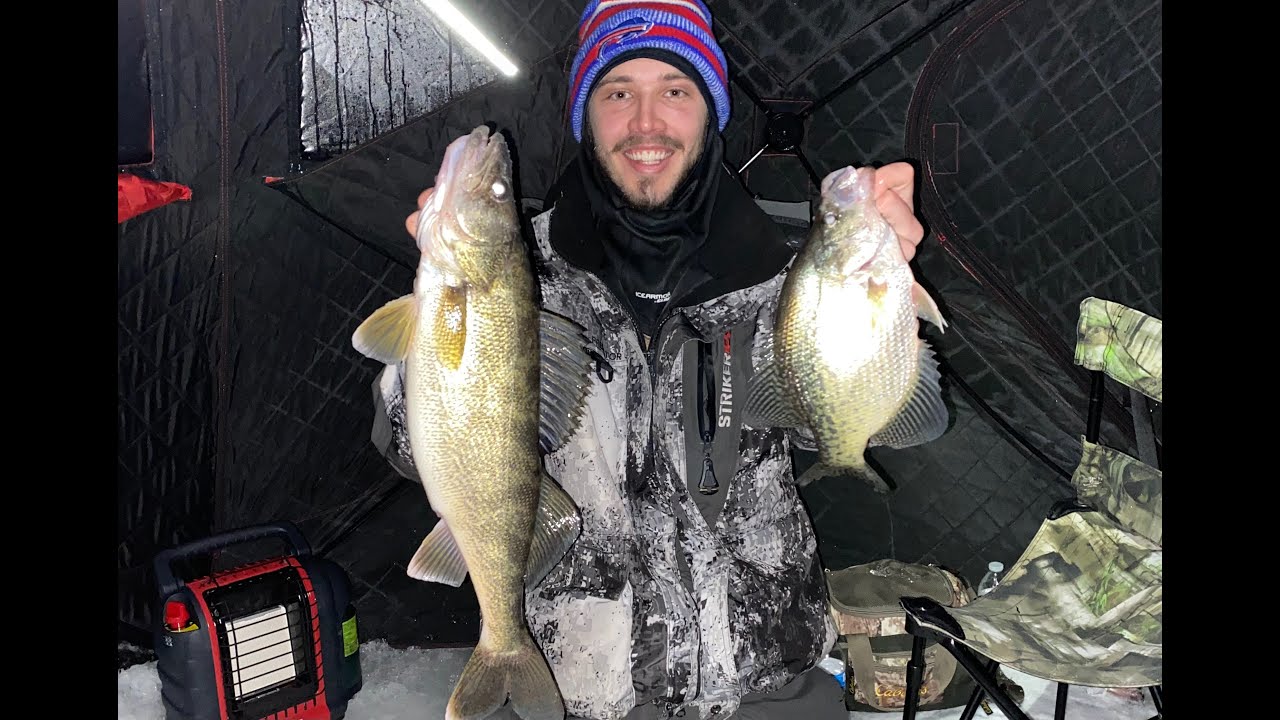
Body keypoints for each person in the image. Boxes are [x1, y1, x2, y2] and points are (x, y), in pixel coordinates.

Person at [391, 1, 926, 717]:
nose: (646, 123)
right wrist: (427, 330)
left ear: (711, 112)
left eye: (675, 90)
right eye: (618, 93)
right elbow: (405, 443)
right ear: (586, 116)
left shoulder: (787, 280)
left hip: (770, 687)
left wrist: (885, 299)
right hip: (579, 689)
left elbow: (900, 425)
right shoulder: (528, 275)